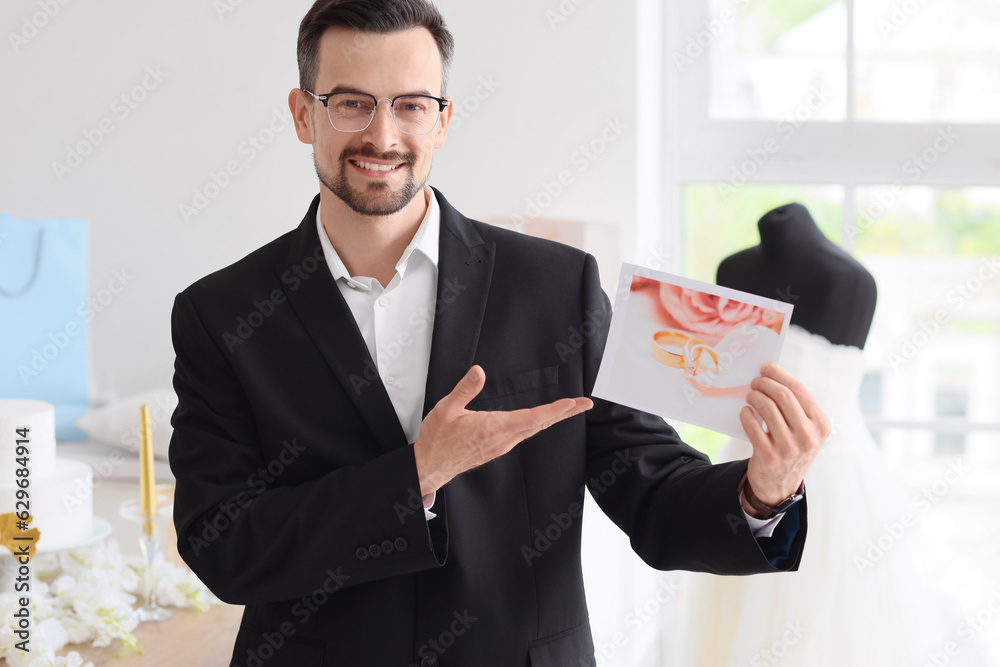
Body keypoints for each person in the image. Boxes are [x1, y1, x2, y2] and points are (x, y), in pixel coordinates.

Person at [167, 2, 830, 665]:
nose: (383, 134)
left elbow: (650, 489)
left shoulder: (558, 287)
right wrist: (416, 475)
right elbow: (222, 544)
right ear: (302, 113)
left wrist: (762, 492)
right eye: (351, 103)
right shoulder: (221, 313)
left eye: (411, 105)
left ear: (444, 118)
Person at [671, 203, 946, 666]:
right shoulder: (731, 269)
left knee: (822, 622)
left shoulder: (848, 280)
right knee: (733, 616)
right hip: (738, 465)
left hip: (826, 477)